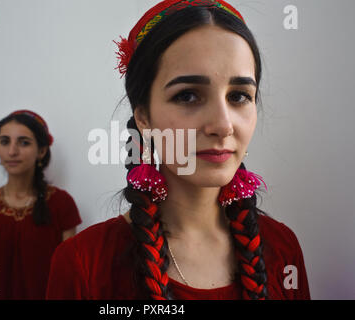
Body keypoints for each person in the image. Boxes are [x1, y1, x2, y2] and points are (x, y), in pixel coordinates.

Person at [46, 0, 310, 300]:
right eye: (187, 95)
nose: (223, 125)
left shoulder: (282, 248)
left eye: (238, 96)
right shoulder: (85, 263)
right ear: (143, 116)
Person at [0, 110, 82, 299]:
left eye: (24, 142)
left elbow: (68, 277)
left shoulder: (61, 204)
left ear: (42, 151)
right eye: (4, 142)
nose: (12, 151)